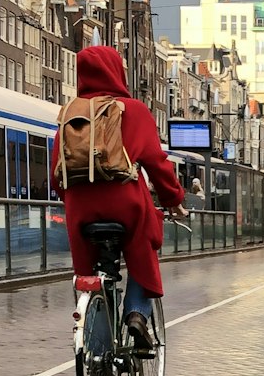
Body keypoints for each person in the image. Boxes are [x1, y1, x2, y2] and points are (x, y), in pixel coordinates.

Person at [52, 47, 187, 353]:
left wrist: (74, 199)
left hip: (80, 208)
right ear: (117, 72)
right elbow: (156, 163)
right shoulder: (133, 109)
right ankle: (137, 313)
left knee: (89, 275)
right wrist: (173, 199)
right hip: (125, 202)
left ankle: (97, 354)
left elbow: (56, 174)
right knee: (145, 245)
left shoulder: (70, 113)